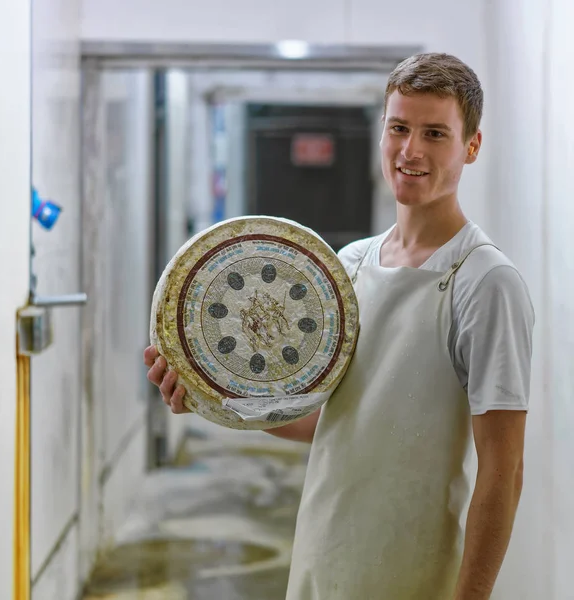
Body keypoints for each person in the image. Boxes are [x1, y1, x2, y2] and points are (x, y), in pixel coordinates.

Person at [144, 52, 534, 599]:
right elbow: (325, 422)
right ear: (382, 133)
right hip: (322, 556)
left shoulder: (485, 281)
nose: (411, 150)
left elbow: (503, 470)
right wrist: (211, 398)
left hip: (414, 571)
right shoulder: (347, 267)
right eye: (399, 128)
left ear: (472, 146)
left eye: (435, 133)